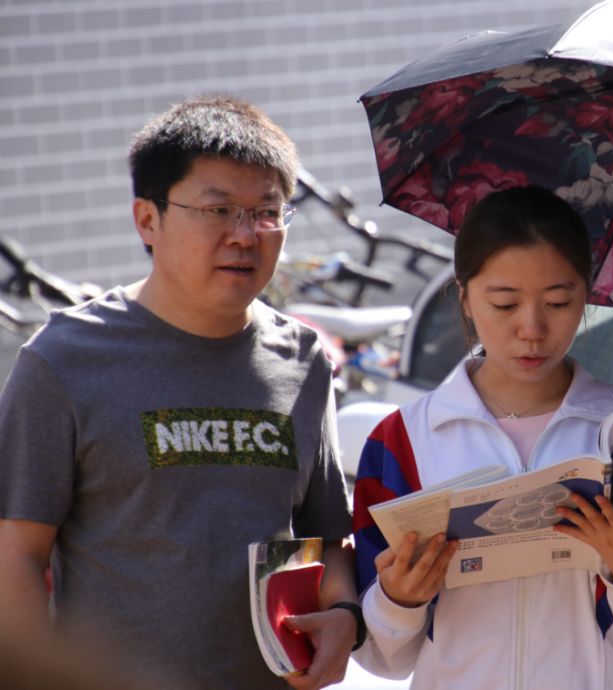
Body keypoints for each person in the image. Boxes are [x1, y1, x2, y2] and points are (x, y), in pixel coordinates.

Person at [0, 95, 360, 690]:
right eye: (218, 210)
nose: (246, 235)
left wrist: (344, 616)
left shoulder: (303, 360)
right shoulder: (63, 359)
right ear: (148, 219)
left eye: (267, 211)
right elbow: (17, 555)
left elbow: (325, 538)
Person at [351, 184, 613, 689]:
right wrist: (399, 600)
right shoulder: (401, 441)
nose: (532, 328)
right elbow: (380, 660)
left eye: (559, 301)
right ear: (464, 297)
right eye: (504, 304)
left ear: (586, 293)